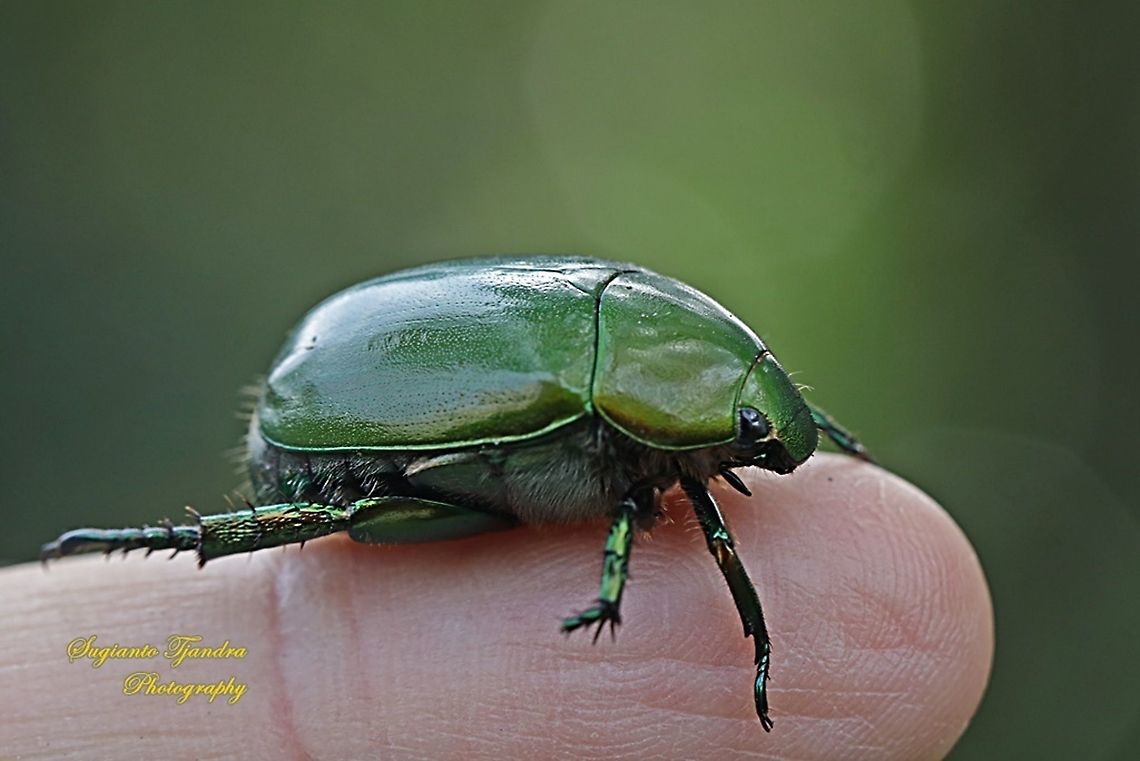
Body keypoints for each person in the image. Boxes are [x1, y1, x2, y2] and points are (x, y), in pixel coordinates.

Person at [0, 455, 992, 759]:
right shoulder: (633, 458)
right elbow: (655, 521)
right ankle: (178, 541)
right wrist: (758, 644)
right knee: (352, 517)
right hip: (362, 427)